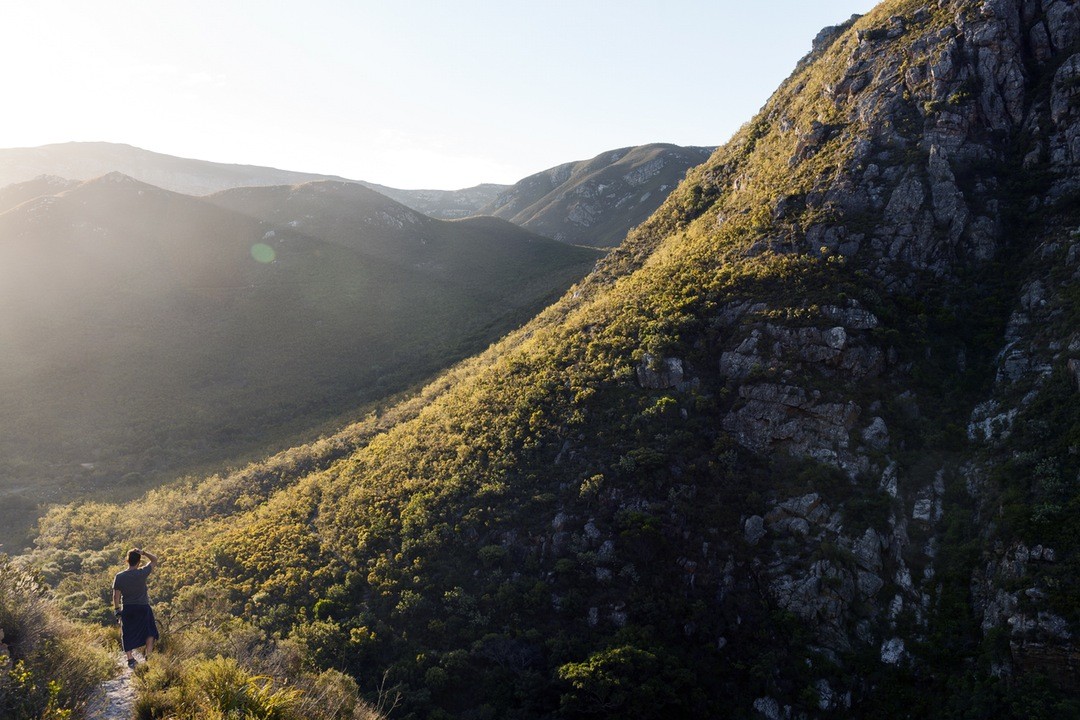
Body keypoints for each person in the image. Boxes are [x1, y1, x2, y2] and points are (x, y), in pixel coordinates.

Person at [112, 547, 159, 668]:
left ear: (127, 560)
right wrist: (144, 553)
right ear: (139, 562)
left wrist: (117, 610)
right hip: (143, 608)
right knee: (150, 632)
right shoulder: (142, 573)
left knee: (127, 633)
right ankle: (148, 656)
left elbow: (116, 596)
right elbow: (155, 560)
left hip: (128, 608)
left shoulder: (119, 576)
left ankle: (130, 659)